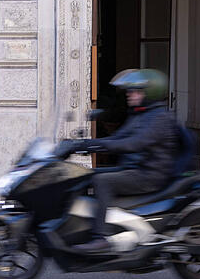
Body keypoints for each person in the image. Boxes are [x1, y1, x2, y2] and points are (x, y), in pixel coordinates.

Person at [55, 68, 179, 254]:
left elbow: (132, 144)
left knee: (101, 181)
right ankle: (80, 228)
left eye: (135, 90)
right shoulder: (140, 114)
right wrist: (81, 144)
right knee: (82, 175)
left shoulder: (159, 118)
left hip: (149, 175)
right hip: (135, 169)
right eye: (129, 90)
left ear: (149, 93)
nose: (129, 94)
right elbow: (117, 138)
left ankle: (101, 237)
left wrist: (93, 146)